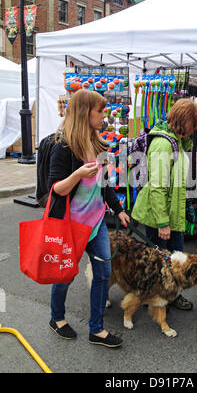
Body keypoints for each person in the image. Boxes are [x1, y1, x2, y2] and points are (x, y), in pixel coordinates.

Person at [48, 89, 130, 348]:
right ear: (86, 114)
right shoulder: (62, 147)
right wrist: (78, 175)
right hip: (71, 225)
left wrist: (118, 209)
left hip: (96, 223)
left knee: (104, 273)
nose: (104, 116)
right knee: (66, 275)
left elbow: (103, 185)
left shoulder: (98, 144)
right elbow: (56, 188)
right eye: (100, 111)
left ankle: (97, 329)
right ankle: (57, 318)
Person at [131, 98, 197, 310]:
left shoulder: (176, 141)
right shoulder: (164, 143)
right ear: (186, 120)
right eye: (196, 122)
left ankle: (170, 294)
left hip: (172, 212)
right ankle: (153, 296)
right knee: (159, 261)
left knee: (175, 260)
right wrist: (163, 222)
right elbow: (157, 186)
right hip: (161, 215)